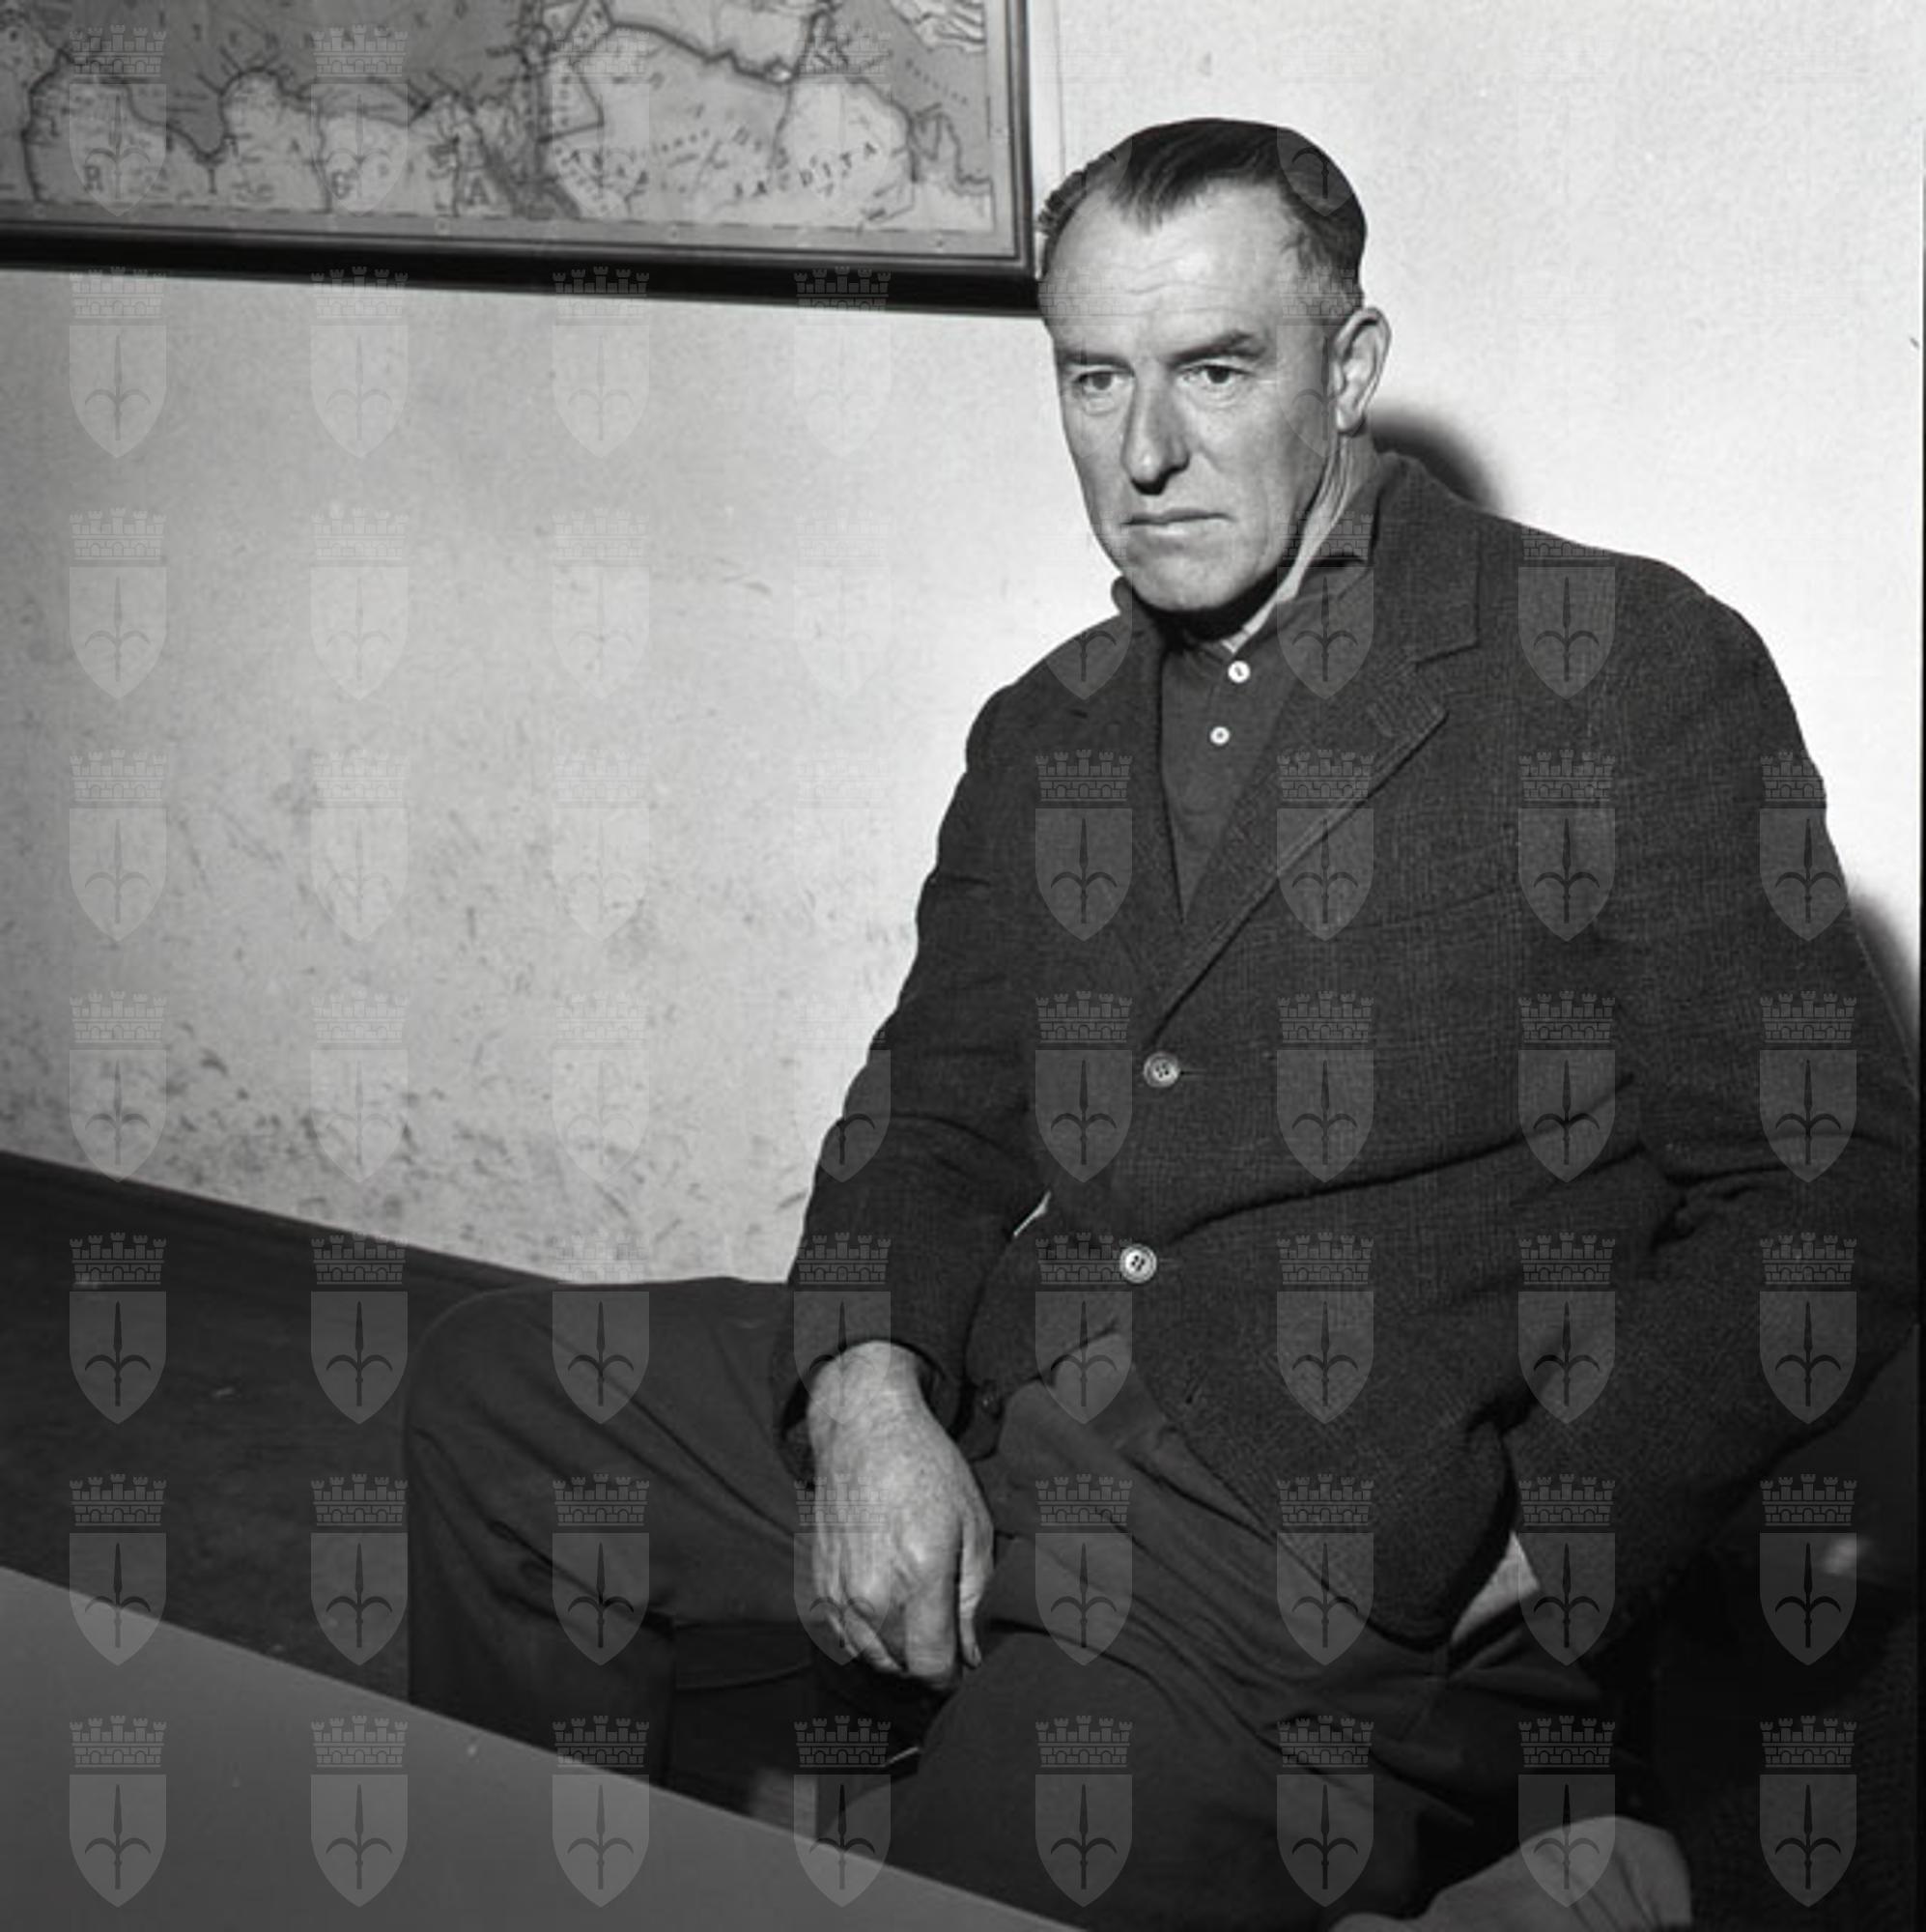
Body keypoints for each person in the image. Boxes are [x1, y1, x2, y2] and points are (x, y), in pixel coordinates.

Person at [405, 121, 1916, 1929]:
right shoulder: (1042, 726)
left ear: (1347, 370)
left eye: (1214, 370)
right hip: (1015, 1402)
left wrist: (1561, 1525)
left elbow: (1833, 1190)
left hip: (1306, 1544)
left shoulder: (1619, 664)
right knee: (498, 1399)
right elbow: (932, 1115)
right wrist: (873, 1402)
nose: (1142, 452)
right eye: (1092, 377)